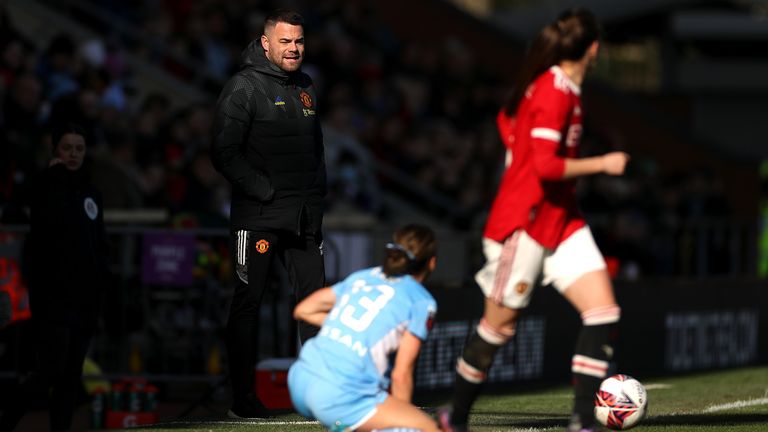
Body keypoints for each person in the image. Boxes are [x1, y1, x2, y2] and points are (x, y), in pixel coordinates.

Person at [439, 8, 630, 432]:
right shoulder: (554, 91)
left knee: (603, 311)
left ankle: (582, 420)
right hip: (522, 226)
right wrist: (603, 163)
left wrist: (517, 154)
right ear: (593, 49)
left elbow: (507, 121)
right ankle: (455, 416)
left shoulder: (561, 87)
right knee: (497, 330)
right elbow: (544, 166)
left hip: (561, 220)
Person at [210, 8, 327, 419]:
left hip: (303, 219)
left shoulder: (306, 86)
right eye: (285, 41)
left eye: (299, 41)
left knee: (316, 305)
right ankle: (243, 401)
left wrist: (317, 199)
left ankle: (320, 396)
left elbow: (316, 150)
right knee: (248, 305)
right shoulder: (243, 87)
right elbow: (223, 151)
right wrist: (264, 190)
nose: (293, 48)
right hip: (258, 217)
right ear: (265, 43)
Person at [0, 123, 109, 432]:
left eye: (79, 149)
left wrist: (101, 277)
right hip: (53, 294)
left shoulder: (92, 192)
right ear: (55, 151)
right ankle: (6, 421)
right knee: (50, 370)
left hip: (85, 295)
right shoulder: (44, 186)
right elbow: (39, 218)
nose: (73, 154)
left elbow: (99, 239)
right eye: (67, 148)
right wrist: (53, 177)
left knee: (71, 374)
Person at [288, 224, 440, 432]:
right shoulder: (422, 301)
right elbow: (401, 375)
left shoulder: (364, 277)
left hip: (300, 378)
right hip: (339, 394)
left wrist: (346, 325)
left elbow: (303, 310)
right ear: (432, 262)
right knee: (426, 428)